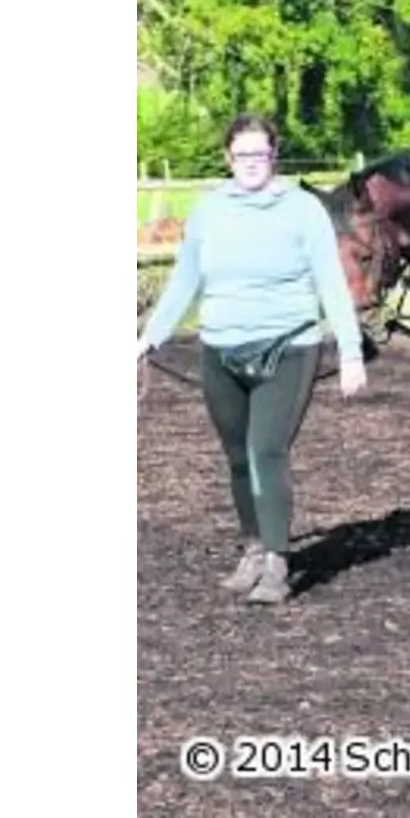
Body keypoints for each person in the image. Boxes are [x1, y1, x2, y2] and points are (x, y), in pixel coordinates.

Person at [136, 114, 367, 605]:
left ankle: (278, 564)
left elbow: (330, 281)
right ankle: (253, 547)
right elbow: (186, 282)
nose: (250, 164)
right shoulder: (209, 211)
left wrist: (349, 350)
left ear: (274, 157)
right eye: (242, 156)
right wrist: (149, 338)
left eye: (259, 155)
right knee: (238, 457)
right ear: (228, 158)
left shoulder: (303, 210)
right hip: (220, 347)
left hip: (289, 345)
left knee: (267, 451)